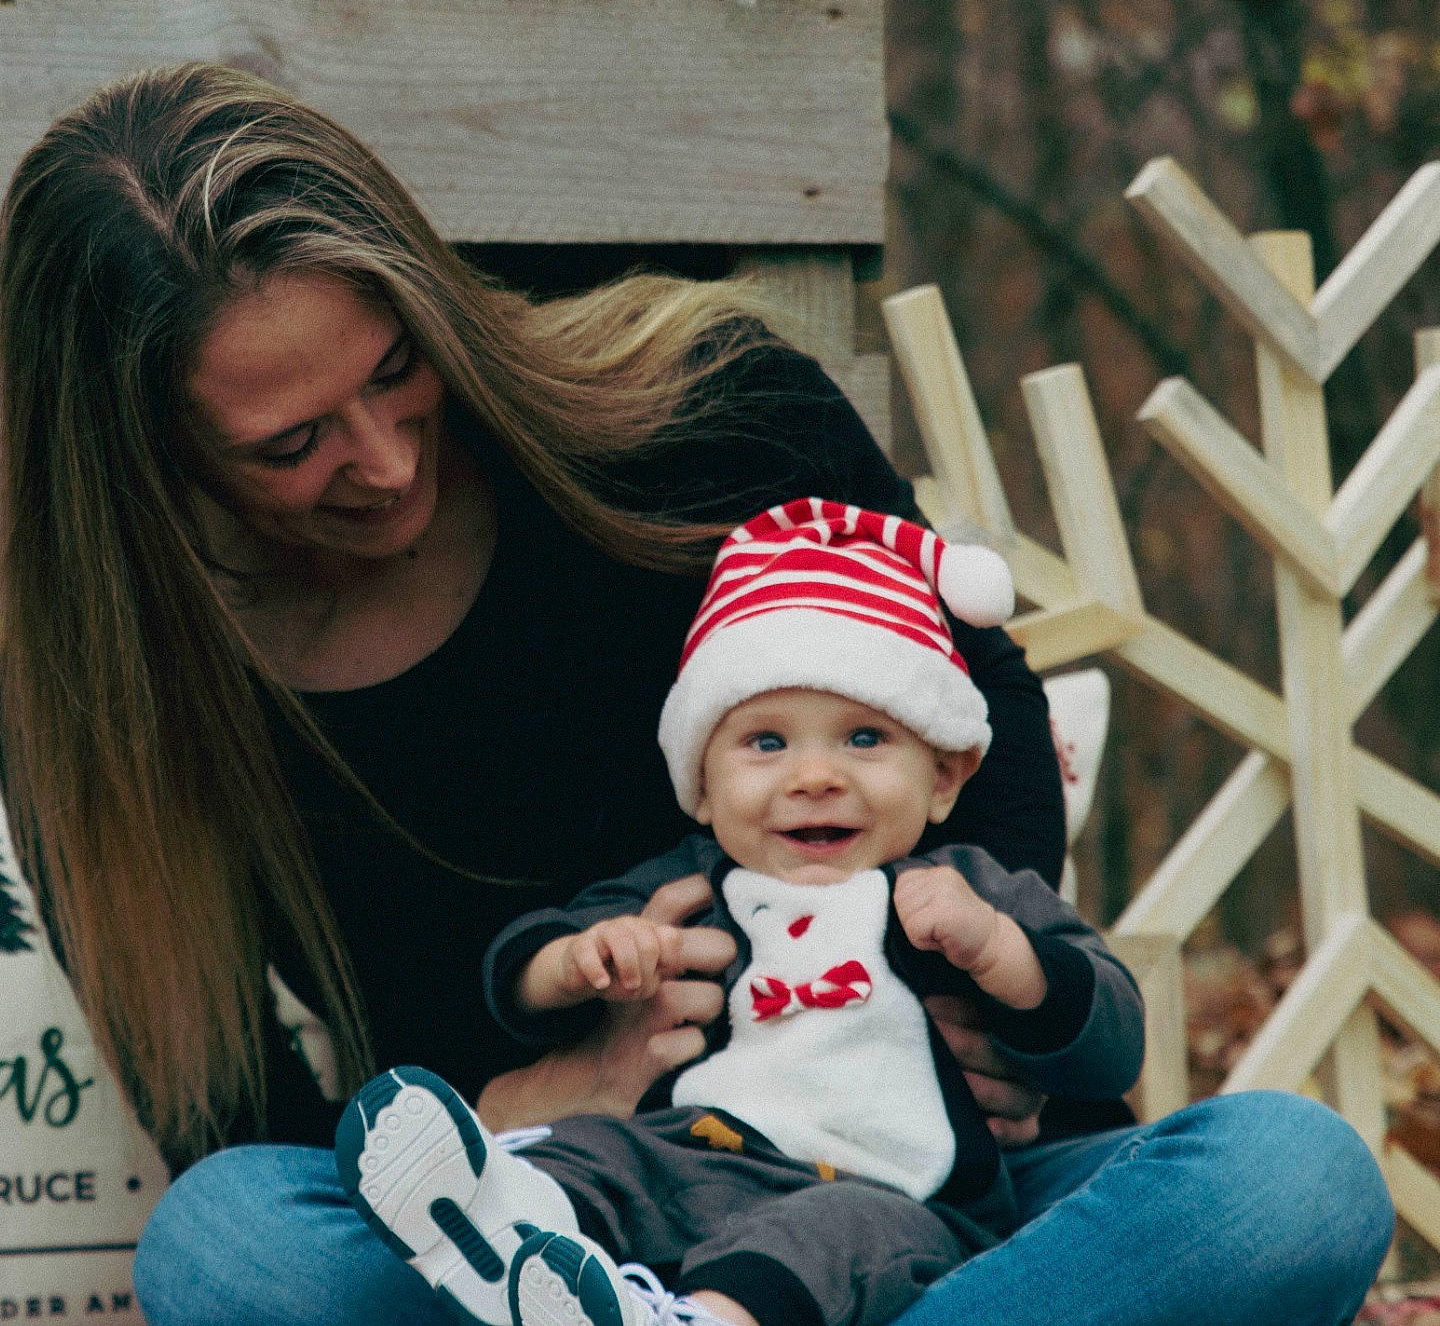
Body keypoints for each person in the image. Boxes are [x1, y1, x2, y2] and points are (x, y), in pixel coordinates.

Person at [0, 62, 1395, 1326]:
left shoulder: (701, 413)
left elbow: (984, 708)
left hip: (928, 1206)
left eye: (398, 370)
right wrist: (507, 1108)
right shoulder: (112, 710)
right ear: (146, 460)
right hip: (546, 1232)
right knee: (227, 1243)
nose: (387, 459)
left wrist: (959, 1006)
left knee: (1292, 1184)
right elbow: (233, 1117)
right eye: (292, 444)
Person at [336, 498, 1144, 1326]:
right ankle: (510, 1243)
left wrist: (1001, 950)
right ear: (702, 783)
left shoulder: (965, 888)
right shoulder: (690, 888)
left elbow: (1113, 1046)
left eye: (865, 738)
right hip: (698, 1160)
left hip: (896, 1195)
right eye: (767, 742)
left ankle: (704, 1321)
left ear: (942, 778)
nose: (815, 777)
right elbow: (519, 972)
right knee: (596, 1152)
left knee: (830, 1231)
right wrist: (578, 962)